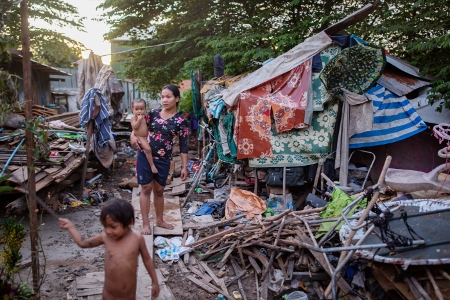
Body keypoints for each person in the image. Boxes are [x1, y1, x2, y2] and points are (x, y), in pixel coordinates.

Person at [58, 198, 159, 300]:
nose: (108, 231)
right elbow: (83, 243)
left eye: (113, 227)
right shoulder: (105, 237)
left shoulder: (137, 239)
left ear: (129, 222)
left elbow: (147, 260)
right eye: (105, 226)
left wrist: (155, 282)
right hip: (108, 296)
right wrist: (70, 227)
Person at [131, 84, 189, 234]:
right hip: (145, 155)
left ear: (176, 99)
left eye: (168, 97)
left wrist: (184, 167)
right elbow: (136, 129)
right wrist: (133, 139)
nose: (164, 100)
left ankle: (160, 220)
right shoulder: (152, 114)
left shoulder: (181, 121)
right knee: (146, 188)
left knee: (159, 191)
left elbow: (184, 146)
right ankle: (145, 224)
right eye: (162, 96)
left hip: (164, 159)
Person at [130, 98, 158, 174]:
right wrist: (138, 120)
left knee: (149, 149)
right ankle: (152, 166)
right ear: (133, 110)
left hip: (146, 136)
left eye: (141, 109)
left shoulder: (145, 117)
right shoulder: (133, 118)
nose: (139, 111)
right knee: (148, 150)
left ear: (145, 109)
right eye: (137, 109)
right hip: (140, 137)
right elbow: (134, 127)